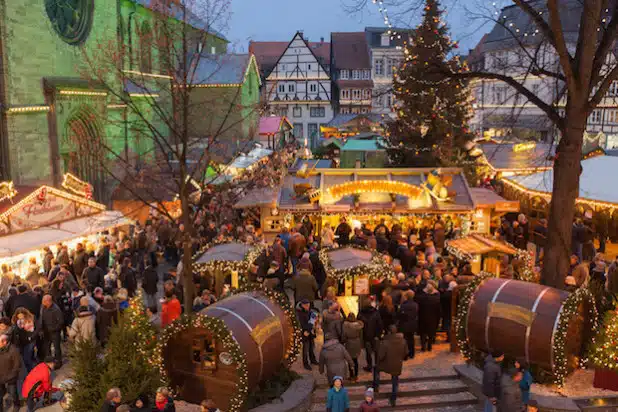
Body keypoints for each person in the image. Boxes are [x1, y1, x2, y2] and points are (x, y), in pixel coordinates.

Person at [375, 325, 408, 407]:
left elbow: (380, 355)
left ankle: (376, 386)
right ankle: (393, 398)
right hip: (397, 364)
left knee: (376, 369)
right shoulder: (403, 341)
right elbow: (405, 353)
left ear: (389, 332)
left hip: (387, 364)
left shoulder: (385, 342)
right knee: (395, 380)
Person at [357, 297, 383, 373]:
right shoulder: (375, 312)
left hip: (366, 336)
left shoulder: (361, 313)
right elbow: (380, 324)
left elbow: (358, 324)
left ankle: (369, 366)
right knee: (376, 351)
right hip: (374, 335)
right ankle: (378, 365)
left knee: (368, 352)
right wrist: (378, 334)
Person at [40, 294, 64, 367]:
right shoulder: (43, 307)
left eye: (44, 301)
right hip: (46, 331)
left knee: (56, 348)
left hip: (54, 332)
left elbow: (61, 322)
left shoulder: (56, 309)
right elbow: (42, 318)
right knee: (47, 347)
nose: (42, 302)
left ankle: (58, 362)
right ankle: (49, 362)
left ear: (48, 301)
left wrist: (54, 329)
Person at [0, 334, 21, 412]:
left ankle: (16, 404)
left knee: (13, 393)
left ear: (4, 342)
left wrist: (11, 376)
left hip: (10, 377)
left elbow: (17, 365)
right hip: (0, 376)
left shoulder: (13, 350)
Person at [417, 282, 440, 351]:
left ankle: (423, 347)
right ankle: (429, 346)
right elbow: (438, 311)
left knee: (423, 333)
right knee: (431, 333)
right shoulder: (436, 299)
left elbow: (418, 308)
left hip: (422, 317)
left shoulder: (421, 298)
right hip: (433, 318)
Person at [296, 299, 318, 370]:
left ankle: (313, 360)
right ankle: (305, 364)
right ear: (302, 305)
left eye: (309, 305)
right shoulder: (299, 313)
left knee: (311, 348)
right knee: (305, 350)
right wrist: (311, 324)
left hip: (310, 333)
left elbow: (313, 319)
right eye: (306, 306)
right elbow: (303, 325)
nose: (308, 307)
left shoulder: (310, 311)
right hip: (304, 334)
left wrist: (312, 323)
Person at [342, 313, 363, 382]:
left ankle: (351, 375)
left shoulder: (345, 325)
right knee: (355, 360)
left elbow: (344, 336)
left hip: (349, 343)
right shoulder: (359, 325)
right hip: (357, 342)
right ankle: (356, 375)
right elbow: (361, 335)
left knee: (349, 360)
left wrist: (343, 341)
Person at [397, 290, 418, 359]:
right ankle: (412, 354)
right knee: (411, 339)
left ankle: (405, 355)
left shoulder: (403, 305)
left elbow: (400, 315)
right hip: (412, 324)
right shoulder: (415, 305)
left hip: (405, 324)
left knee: (405, 340)